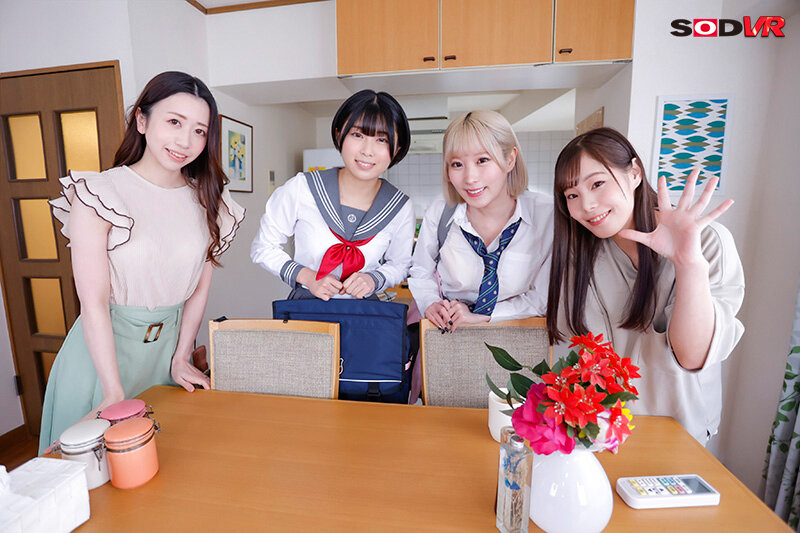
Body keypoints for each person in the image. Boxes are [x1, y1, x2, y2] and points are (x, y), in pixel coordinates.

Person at [40, 71, 245, 453]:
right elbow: (93, 303)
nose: (185, 141)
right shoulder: (100, 193)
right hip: (102, 363)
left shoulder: (210, 201)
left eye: (199, 131)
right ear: (142, 120)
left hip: (166, 358)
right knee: (96, 476)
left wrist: (181, 356)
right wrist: (113, 392)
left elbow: (198, 291)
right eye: (174, 122)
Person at [547, 127, 744, 444]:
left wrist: (687, 262)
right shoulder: (580, 256)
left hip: (679, 434)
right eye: (572, 195)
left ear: (635, 173)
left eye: (597, 184)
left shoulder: (706, 241)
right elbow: (577, 355)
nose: (587, 205)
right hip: (602, 431)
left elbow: (692, 356)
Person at [250, 89, 414, 300]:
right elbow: (263, 247)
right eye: (358, 135)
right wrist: (309, 278)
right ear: (339, 134)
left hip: (364, 313)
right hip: (306, 311)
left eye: (381, 140)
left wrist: (373, 279)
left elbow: (400, 264)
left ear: (397, 148)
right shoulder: (303, 188)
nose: (367, 151)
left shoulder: (399, 206)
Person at [409, 110, 553, 332]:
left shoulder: (546, 215)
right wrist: (430, 302)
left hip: (517, 333)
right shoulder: (441, 210)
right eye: (457, 164)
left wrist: (484, 316)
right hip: (449, 332)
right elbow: (421, 269)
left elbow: (544, 296)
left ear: (510, 160)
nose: (470, 178)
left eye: (482, 160)